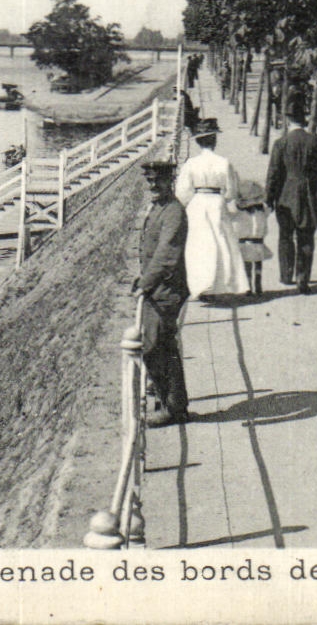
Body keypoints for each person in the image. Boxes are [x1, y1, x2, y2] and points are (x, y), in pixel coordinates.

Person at [135, 160, 190, 427]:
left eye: (159, 180)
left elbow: (167, 255)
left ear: (171, 181)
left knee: (157, 346)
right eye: (150, 181)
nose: (154, 185)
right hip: (156, 288)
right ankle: (168, 399)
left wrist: (145, 283)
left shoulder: (174, 212)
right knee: (158, 346)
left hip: (167, 289)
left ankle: (174, 408)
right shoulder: (158, 208)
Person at [266, 95, 317, 293]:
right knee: (306, 238)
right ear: (304, 120)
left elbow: (274, 174)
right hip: (309, 197)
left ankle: (286, 276)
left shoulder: (281, 143)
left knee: (285, 237)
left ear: (287, 120)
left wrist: (269, 199)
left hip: (285, 197)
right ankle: (303, 280)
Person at [175, 119, 246, 299]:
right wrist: (222, 198)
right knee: (220, 243)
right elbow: (231, 191)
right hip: (216, 203)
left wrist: (188, 203)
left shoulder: (191, 163)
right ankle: (218, 285)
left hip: (197, 203)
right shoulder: (224, 162)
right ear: (214, 140)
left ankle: (200, 285)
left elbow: (182, 191)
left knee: (199, 245)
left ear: (198, 142)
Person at [233, 180, 272, 297]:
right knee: (258, 263)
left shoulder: (240, 213)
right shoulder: (261, 212)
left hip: (246, 243)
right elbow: (269, 209)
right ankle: (257, 283)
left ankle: (249, 285)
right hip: (258, 242)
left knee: (248, 265)